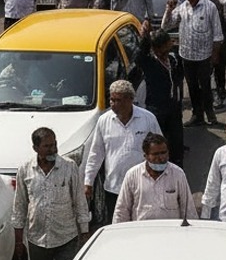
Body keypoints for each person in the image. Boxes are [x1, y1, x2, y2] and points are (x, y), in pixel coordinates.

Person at [12, 126, 91, 260]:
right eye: (47, 146)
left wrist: (84, 232)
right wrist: (19, 241)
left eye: (54, 144)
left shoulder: (69, 167)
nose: (53, 149)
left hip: (66, 237)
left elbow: (79, 201)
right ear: (36, 148)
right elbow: (19, 206)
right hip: (37, 240)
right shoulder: (25, 170)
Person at [82, 80, 162, 224]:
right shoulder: (104, 121)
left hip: (143, 186)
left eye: (118, 100)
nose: (113, 104)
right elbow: (96, 153)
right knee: (117, 227)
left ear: (130, 99)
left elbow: (160, 150)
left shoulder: (148, 119)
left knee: (143, 225)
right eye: (111, 99)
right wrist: (88, 181)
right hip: (113, 188)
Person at [162, 0, 224, 127]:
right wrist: (169, 10)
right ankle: (197, 115)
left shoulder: (210, 7)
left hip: (204, 56)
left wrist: (215, 56)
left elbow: (217, 34)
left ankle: (210, 114)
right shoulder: (183, 7)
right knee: (192, 87)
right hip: (187, 55)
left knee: (205, 86)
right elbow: (166, 26)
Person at [128, 29, 185, 165]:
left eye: (166, 46)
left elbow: (179, 77)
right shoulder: (150, 63)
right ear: (155, 49)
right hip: (157, 110)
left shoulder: (173, 59)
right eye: (160, 48)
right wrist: (146, 39)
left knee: (176, 142)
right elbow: (138, 57)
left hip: (174, 108)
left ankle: (177, 167)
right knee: (158, 141)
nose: (164, 51)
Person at [112, 132, 197, 222]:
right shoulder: (132, 175)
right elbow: (122, 210)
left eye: (163, 153)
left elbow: (188, 209)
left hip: (170, 231)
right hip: (141, 231)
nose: (161, 158)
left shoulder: (178, 174)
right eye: (155, 154)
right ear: (146, 156)